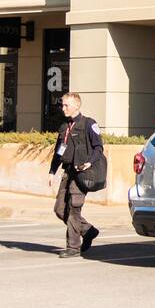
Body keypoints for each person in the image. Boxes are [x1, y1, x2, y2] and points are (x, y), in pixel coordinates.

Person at [48, 92, 102, 258]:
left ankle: (73, 248)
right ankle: (88, 230)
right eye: (62, 105)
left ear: (76, 106)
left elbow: (98, 148)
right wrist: (52, 171)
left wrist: (89, 162)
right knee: (59, 209)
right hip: (68, 172)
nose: (63, 108)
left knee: (74, 209)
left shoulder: (89, 124)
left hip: (81, 172)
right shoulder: (64, 127)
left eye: (66, 105)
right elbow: (59, 151)